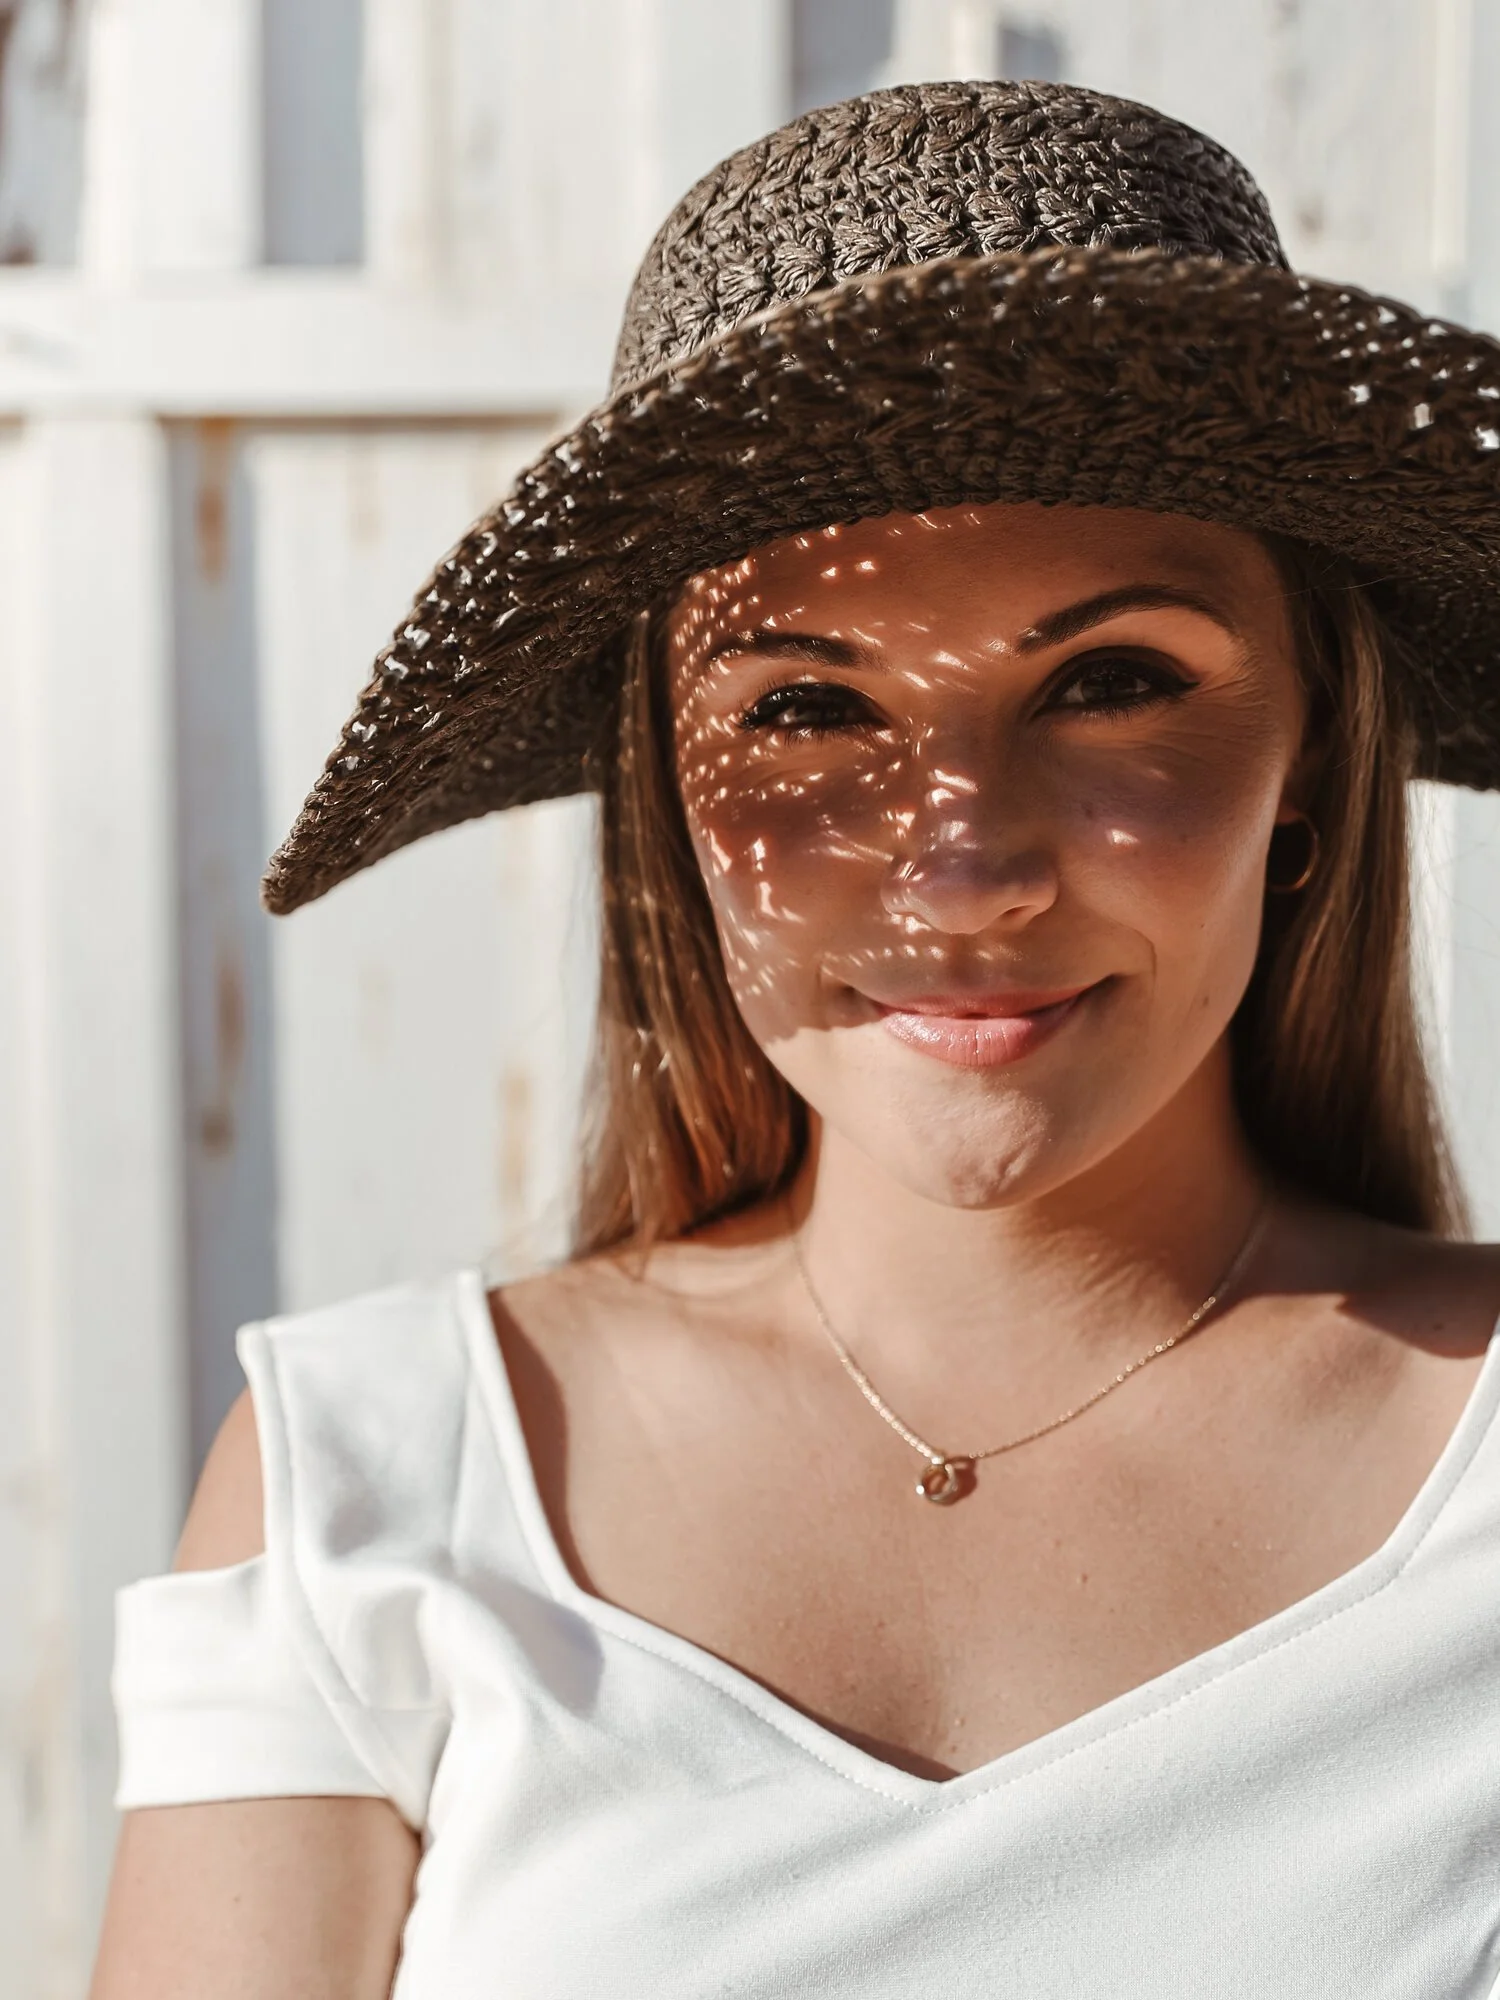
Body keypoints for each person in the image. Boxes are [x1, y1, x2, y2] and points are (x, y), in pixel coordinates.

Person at [91, 80, 1500, 1999]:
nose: (967, 868)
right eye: (806, 711)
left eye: (1109, 682)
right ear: (663, 791)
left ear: (1311, 758)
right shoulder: (371, 1477)